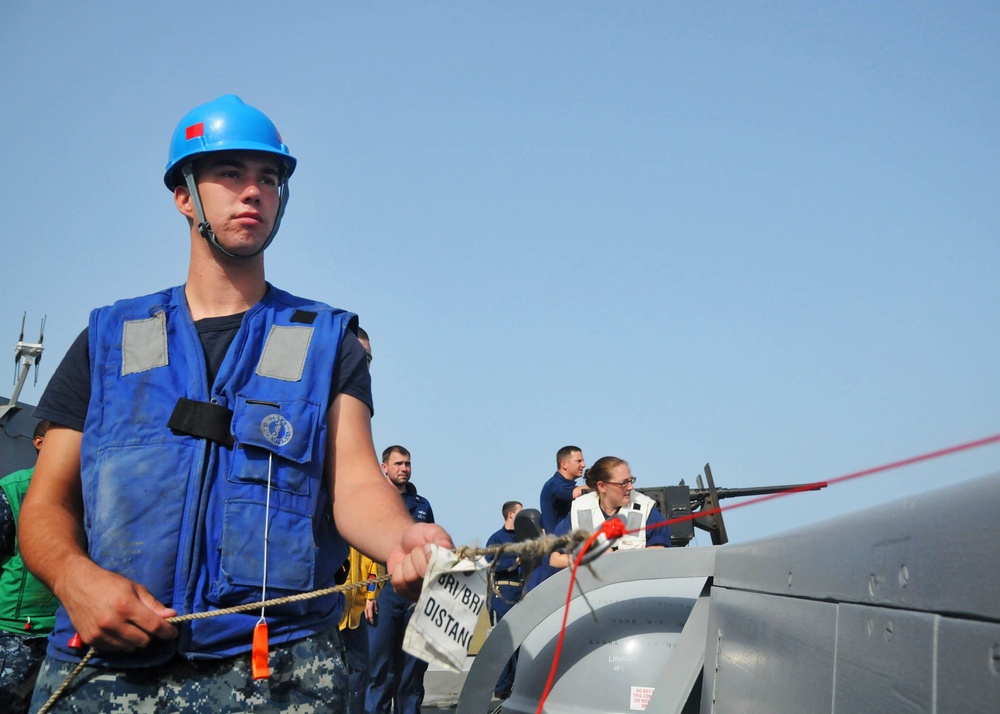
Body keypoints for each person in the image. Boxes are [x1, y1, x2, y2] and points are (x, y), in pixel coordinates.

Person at [19, 95, 453, 713]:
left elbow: (355, 484)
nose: (253, 192)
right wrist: (73, 579)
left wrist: (404, 537)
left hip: (278, 670)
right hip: (101, 667)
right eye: (230, 174)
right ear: (183, 194)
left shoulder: (326, 342)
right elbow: (45, 503)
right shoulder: (108, 339)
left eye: (269, 178)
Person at [366, 445, 435, 714]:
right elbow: (365, 553)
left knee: (412, 670)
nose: (404, 468)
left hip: (414, 595)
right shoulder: (373, 503)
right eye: (398, 464)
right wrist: (370, 593)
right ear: (384, 467)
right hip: (382, 591)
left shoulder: (422, 506)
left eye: (407, 463)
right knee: (380, 669)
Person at [337, 326, 383, 714]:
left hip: (351, 605)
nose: (361, 367)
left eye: (366, 360)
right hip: (307, 603)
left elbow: (368, 551)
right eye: (356, 357)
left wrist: (370, 593)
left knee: (360, 676)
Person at [1, 420, 57, 714]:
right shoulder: (13, 490)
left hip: (70, 637)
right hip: (16, 638)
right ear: (39, 443)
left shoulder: (96, 491)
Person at [549, 456, 670, 571]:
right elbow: (555, 559)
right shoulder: (580, 509)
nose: (631, 487)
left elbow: (660, 552)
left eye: (631, 480)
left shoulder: (645, 508)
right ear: (602, 486)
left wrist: (621, 557)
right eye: (623, 483)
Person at [485, 500, 524, 700]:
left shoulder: (523, 538)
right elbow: (492, 564)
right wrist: (517, 560)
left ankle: (515, 684)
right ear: (510, 514)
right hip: (503, 594)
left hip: (521, 593)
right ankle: (501, 687)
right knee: (505, 641)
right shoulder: (496, 539)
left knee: (520, 642)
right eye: (520, 512)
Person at [539, 446, 588, 534]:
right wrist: (603, 485)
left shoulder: (560, 485)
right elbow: (575, 493)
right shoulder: (554, 485)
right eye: (579, 461)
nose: (583, 465)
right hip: (560, 544)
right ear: (564, 464)